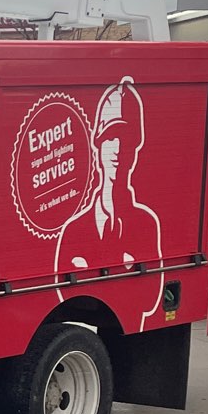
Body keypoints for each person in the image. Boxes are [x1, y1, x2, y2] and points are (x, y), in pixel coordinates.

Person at [55, 78, 162, 330]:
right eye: (110, 137)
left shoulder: (146, 225)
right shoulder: (74, 230)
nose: (117, 149)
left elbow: (151, 299)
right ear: (97, 146)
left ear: (136, 147)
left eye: (125, 138)